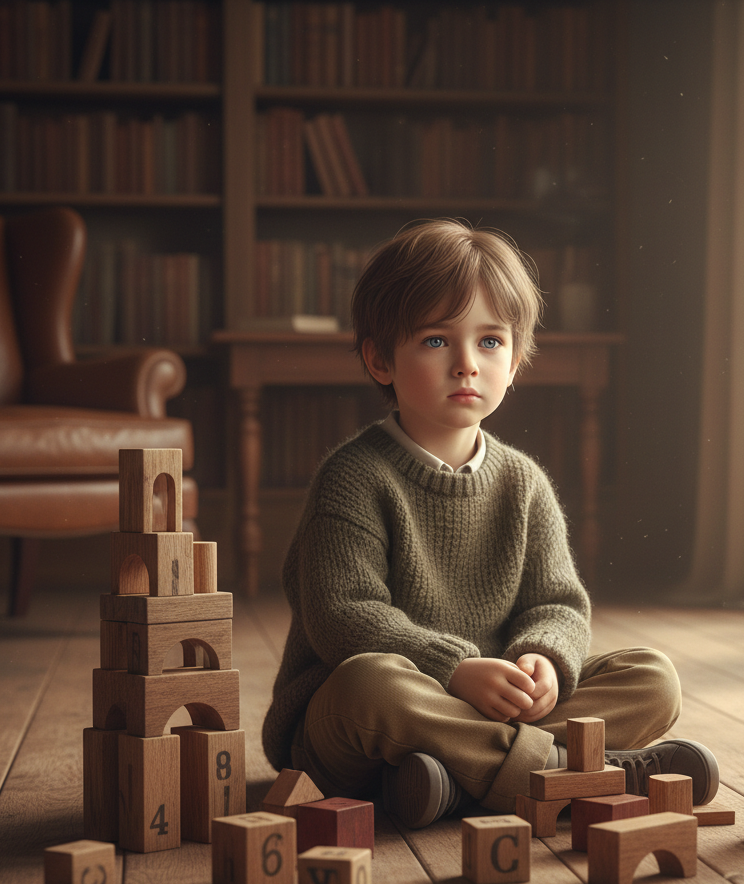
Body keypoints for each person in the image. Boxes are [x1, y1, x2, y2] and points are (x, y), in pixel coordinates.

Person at [261, 219, 719, 829]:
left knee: (653, 677)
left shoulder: (523, 483)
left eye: (490, 342)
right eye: (434, 341)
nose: (466, 365)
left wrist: (544, 663)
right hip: (365, 723)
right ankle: (572, 772)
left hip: (492, 713)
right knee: (369, 685)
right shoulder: (353, 478)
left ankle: (454, 781)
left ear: (517, 359)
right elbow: (345, 617)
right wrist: (453, 670)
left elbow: (558, 603)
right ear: (379, 359)